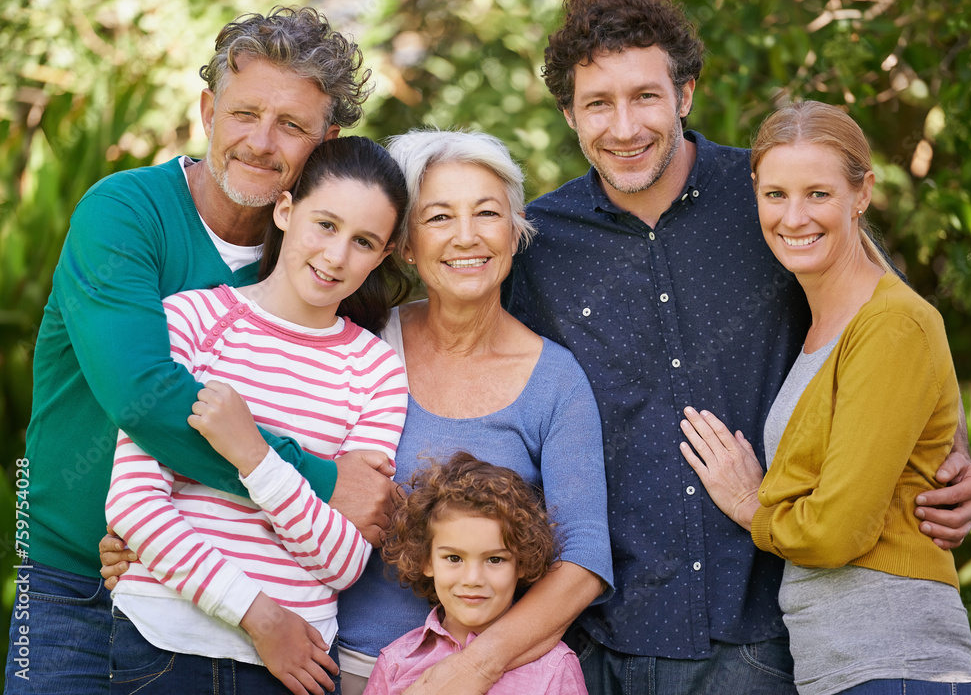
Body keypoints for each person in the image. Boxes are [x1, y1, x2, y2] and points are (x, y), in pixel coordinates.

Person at [505, 0, 971, 695]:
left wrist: (950, 459)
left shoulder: (774, 199)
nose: (625, 126)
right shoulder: (538, 247)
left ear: (685, 94)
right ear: (570, 114)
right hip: (606, 636)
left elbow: (890, 322)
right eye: (598, 103)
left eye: (646, 96)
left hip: (769, 634)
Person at [102, 129, 614, 695]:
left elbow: (583, 558)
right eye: (440, 216)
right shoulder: (373, 343)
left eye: (487, 213)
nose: (466, 236)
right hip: (332, 664)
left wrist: (471, 669)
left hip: (483, 677)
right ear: (408, 246)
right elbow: (165, 482)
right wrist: (152, 548)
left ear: (516, 231)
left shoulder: (555, 380)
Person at [9, 7, 398, 695]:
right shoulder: (123, 213)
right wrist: (324, 480)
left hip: (213, 607)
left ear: (328, 142)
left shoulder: (313, 270)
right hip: (71, 576)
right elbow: (145, 395)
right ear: (208, 108)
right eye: (245, 113)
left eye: (292, 126)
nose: (260, 142)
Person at [678, 101, 971, 695]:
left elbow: (836, 532)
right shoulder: (821, 325)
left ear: (861, 193)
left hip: (896, 662)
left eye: (818, 193)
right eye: (775, 195)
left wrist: (749, 504)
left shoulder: (891, 324)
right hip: (841, 668)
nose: (793, 217)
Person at [104, 136, 410, 695]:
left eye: (363, 241)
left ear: (385, 254)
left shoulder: (377, 371)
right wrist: (260, 619)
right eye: (325, 224)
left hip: (298, 669)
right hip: (164, 643)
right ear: (286, 210)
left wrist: (253, 454)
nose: (337, 256)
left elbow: (342, 560)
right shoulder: (192, 320)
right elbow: (134, 503)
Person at [364, 452, 588, 694]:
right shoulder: (395, 663)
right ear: (426, 561)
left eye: (494, 559)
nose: (472, 579)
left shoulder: (554, 668)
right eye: (454, 558)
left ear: (521, 563)